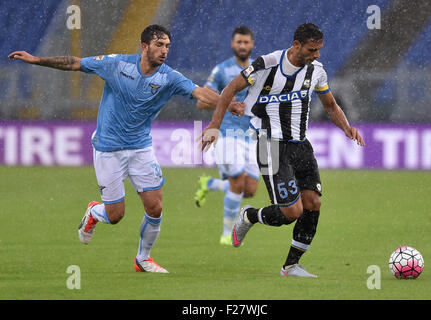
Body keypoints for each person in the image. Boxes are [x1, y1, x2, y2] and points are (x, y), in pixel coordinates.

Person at [8, 24, 224, 273]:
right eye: (159, 45)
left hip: (141, 148)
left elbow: (200, 93)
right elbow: (74, 63)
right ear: (144, 46)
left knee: (155, 206)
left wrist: (230, 104)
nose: (164, 51)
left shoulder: (170, 77)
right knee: (115, 215)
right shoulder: (116, 65)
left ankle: (143, 259)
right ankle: (93, 212)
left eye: (167, 46)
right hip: (108, 148)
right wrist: (37, 60)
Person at [200, 23, 365, 277]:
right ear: (297, 45)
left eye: (319, 49)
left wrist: (347, 127)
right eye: (312, 49)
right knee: (291, 212)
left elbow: (330, 105)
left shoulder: (316, 71)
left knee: (313, 202)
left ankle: (291, 266)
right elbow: (230, 89)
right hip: (270, 145)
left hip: (301, 145)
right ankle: (250, 216)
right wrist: (214, 125)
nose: (317, 55)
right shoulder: (266, 65)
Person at [194, 26, 260, 246]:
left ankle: (210, 183)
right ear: (233, 44)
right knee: (238, 182)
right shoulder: (222, 70)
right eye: (239, 42)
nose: (242, 46)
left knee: (249, 190)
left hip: (252, 135)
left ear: (252, 44)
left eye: (246, 42)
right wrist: (226, 101)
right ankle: (226, 233)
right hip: (227, 134)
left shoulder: (259, 70)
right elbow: (202, 101)